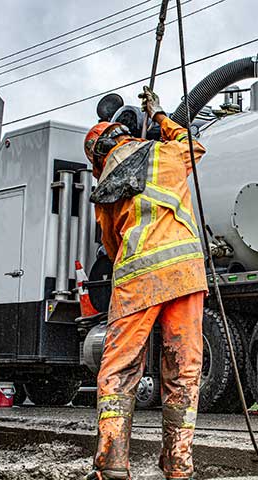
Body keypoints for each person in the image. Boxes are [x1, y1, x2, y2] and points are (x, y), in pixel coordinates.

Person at [84, 87, 207, 480]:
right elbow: (195, 147)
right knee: (183, 371)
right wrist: (159, 115)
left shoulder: (105, 191)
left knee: (119, 370)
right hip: (186, 276)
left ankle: (113, 464)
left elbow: (110, 245)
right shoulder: (167, 155)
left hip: (138, 280)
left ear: (99, 160)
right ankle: (177, 465)